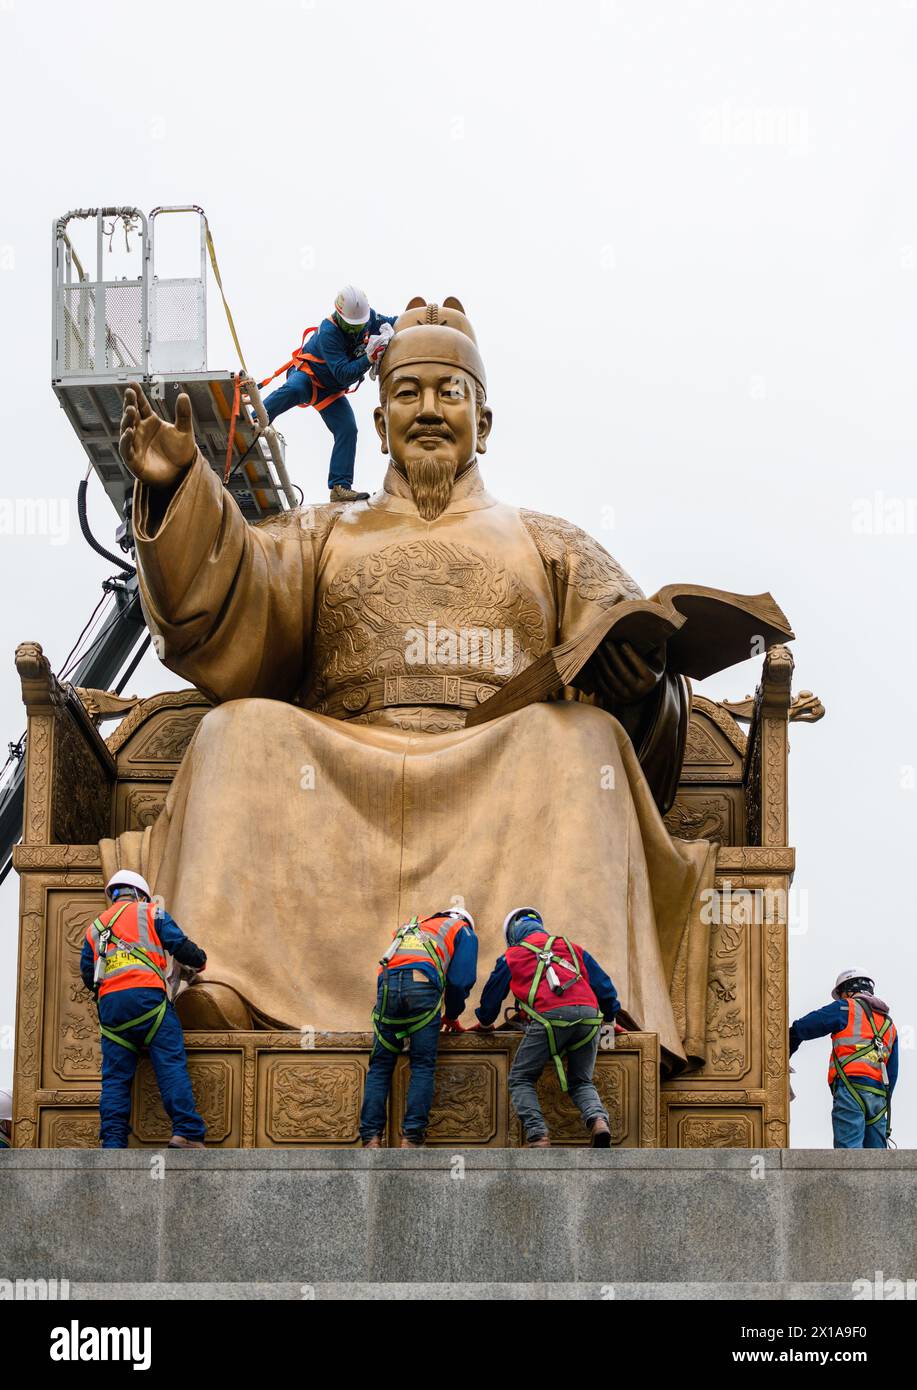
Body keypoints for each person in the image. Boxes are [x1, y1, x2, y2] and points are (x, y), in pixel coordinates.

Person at [80, 871, 208, 1149]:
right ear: (140, 894)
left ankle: (113, 1144)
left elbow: (88, 974)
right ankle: (186, 1131)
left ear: (114, 894)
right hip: (148, 1003)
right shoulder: (150, 912)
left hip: (112, 1011)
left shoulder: (95, 928)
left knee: (114, 1079)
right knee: (170, 1064)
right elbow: (180, 946)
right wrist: (200, 960)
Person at [475, 907, 621, 1147]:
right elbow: (604, 986)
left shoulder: (511, 955)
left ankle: (538, 1135)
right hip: (589, 1017)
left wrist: (485, 1022)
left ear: (512, 935)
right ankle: (598, 1121)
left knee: (521, 1078)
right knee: (581, 1081)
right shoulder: (571, 947)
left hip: (548, 1018)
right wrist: (610, 1018)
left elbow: (492, 997)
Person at [261, 284, 398, 502]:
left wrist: (423, 320)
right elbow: (344, 374)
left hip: (330, 391)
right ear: (340, 316)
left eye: (359, 326)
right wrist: (370, 358)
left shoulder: (369, 318)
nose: (356, 331)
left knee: (347, 429)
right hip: (310, 377)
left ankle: (339, 486)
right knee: (294, 390)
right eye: (352, 326)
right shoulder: (329, 332)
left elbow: (396, 321)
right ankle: (256, 421)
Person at [360, 909, 478, 1148]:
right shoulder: (462, 929)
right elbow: (459, 981)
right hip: (422, 984)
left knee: (381, 1064)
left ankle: (371, 1138)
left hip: (386, 985)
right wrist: (452, 1015)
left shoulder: (413, 926)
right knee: (422, 1064)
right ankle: (412, 1139)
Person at [790, 969, 898, 1149]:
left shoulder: (847, 1007)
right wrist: (885, 1101)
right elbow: (892, 1071)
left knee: (849, 1154)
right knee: (878, 1157)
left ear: (847, 990)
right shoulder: (889, 1024)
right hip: (878, 1096)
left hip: (850, 1089)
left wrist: (785, 1048)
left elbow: (803, 1027)